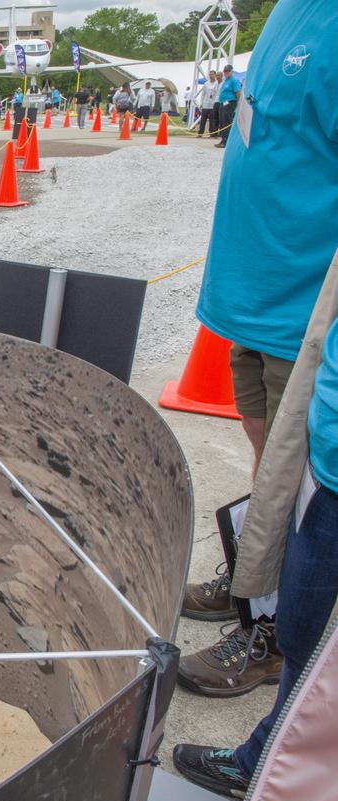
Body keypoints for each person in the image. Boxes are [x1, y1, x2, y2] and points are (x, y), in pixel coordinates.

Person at [175, 0, 338, 704]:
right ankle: (251, 578)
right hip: (253, 298)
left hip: (304, 311)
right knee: (263, 461)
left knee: (296, 490)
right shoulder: (287, 14)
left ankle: (274, 631)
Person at [215, 63, 243, 148]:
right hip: (223, 103)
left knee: (227, 122)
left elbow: (238, 92)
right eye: (225, 71)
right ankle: (223, 140)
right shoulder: (226, 81)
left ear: (231, 72)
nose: (226, 73)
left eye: (228, 71)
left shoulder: (234, 80)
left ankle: (226, 141)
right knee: (222, 122)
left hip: (230, 103)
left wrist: (237, 104)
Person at [197, 70, 221, 137]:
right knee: (203, 119)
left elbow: (217, 93)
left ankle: (212, 133)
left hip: (213, 104)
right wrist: (201, 103)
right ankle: (200, 132)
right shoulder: (206, 83)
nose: (211, 76)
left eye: (212, 74)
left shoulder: (217, 83)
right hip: (205, 104)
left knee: (212, 120)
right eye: (210, 74)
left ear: (215, 75)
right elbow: (203, 94)